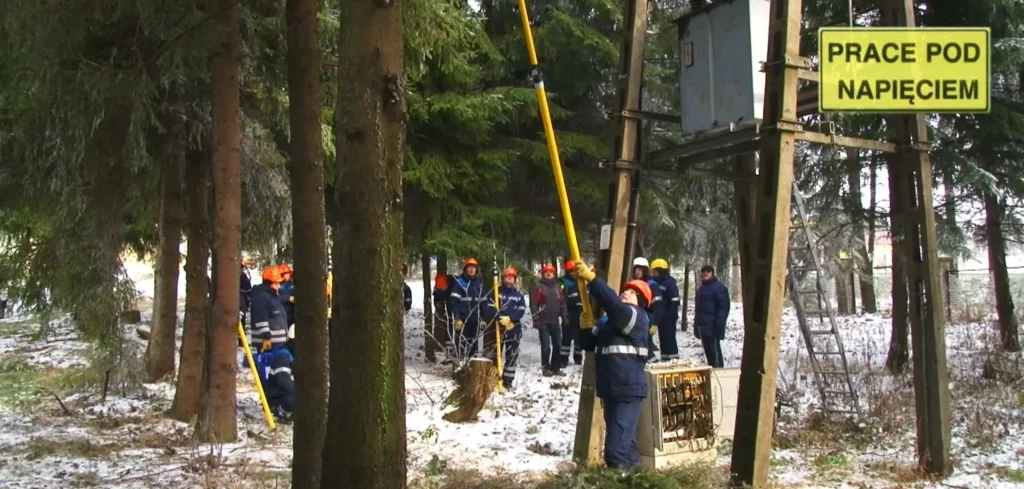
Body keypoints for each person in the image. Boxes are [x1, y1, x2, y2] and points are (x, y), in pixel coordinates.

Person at [572, 261, 650, 469]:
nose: (626, 294)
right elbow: (589, 344)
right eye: (625, 291)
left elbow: (615, 306)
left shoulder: (637, 317)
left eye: (632, 293)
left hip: (628, 392)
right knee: (627, 449)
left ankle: (617, 481)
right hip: (611, 392)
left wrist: (593, 280)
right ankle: (638, 481)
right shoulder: (608, 322)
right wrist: (585, 327)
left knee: (615, 452)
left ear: (640, 301)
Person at [482, 267, 527, 390]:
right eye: (507, 277)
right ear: (503, 278)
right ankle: (494, 379)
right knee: (495, 354)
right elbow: (490, 308)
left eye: (512, 277)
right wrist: (501, 318)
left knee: (511, 356)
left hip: (514, 329)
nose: (509, 279)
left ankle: (508, 381)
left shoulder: (518, 295)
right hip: (497, 328)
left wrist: (511, 319)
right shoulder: (496, 293)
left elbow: (521, 310)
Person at [531, 264, 567, 376]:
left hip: (555, 321)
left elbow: (562, 303)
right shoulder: (539, 287)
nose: (548, 273)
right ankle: (546, 368)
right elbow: (534, 304)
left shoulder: (558, 287)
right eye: (546, 272)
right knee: (546, 346)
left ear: (554, 274)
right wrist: (536, 318)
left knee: (558, 345)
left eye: (550, 272)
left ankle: (555, 367)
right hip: (543, 321)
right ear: (543, 274)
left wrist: (565, 316)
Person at [448, 258, 485, 358]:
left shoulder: (480, 284)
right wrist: (457, 318)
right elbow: (453, 302)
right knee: (461, 346)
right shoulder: (459, 282)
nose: (472, 270)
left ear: (476, 270)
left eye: (474, 268)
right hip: (462, 321)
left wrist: (483, 319)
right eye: (469, 267)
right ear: (465, 269)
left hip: (475, 321)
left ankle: (472, 369)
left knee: (473, 348)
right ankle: (460, 370)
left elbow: (483, 303)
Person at [694, 264, 730, 368]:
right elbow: (698, 310)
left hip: (713, 327)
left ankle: (719, 374)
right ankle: (713, 373)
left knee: (715, 354)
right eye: (704, 271)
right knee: (709, 354)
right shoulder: (701, 289)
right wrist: (696, 326)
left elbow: (724, 307)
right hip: (703, 328)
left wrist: (719, 324)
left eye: (708, 271)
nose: (705, 273)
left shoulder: (719, 288)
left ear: (712, 273)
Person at [250, 266, 289, 351]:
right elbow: (261, 318)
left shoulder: (273, 296)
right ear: (268, 284)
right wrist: (266, 337)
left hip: (276, 342)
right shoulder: (261, 297)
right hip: (268, 344)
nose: (279, 286)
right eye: (276, 284)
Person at [650, 259, 681, 361]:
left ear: (660, 271)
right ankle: (665, 359)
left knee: (669, 339)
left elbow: (675, 300)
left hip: (669, 316)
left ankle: (673, 360)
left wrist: (670, 315)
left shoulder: (669, 283)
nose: (653, 273)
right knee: (663, 340)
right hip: (661, 317)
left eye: (654, 271)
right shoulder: (656, 282)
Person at [632, 257, 661, 361]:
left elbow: (657, 305)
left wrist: (655, 323)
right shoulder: (634, 283)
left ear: (644, 270)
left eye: (639, 270)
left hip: (649, 315)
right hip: (638, 314)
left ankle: (652, 361)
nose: (637, 272)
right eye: (635, 270)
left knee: (646, 341)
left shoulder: (651, 284)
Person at [261, 342, 295, 422]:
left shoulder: (293, 355)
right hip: (278, 395)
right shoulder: (283, 356)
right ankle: (279, 411)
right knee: (293, 401)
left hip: (287, 391)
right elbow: (282, 381)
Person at [558, 260, 584, 367]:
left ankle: (578, 357)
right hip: (568, 312)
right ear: (567, 271)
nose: (573, 272)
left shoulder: (581, 280)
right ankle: (564, 358)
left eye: (574, 270)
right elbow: (561, 296)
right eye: (571, 270)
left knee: (579, 336)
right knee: (566, 336)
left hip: (580, 312)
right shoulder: (563, 282)